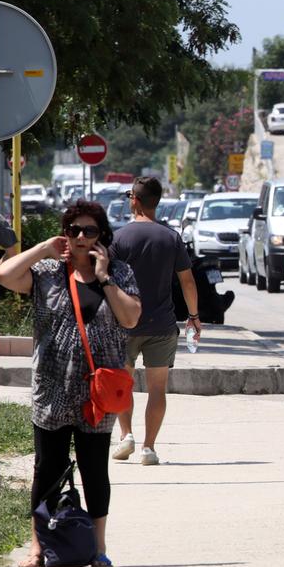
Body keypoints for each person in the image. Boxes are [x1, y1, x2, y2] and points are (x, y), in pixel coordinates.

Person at [0, 201, 142, 567]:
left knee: (95, 471)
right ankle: (37, 547)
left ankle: (98, 547)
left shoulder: (119, 273)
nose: (80, 237)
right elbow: (5, 275)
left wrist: (105, 277)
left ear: (101, 236)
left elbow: (130, 317)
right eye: (74, 230)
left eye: (89, 231)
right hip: (52, 389)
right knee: (47, 469)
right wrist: (43, 248)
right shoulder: (48, 272)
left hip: (96, 394)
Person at [110, 177, 200, 466]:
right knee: (157, 389)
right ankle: (148, 447)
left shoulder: (120, 238)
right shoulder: (170, 238)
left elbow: (106, 281)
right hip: (161, 324)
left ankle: (126, 435)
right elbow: (187, 281)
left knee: (122, 383)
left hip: (123, 323)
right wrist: (194, 317)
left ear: (134, 200)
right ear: (156, 201)